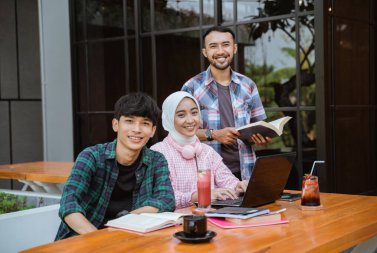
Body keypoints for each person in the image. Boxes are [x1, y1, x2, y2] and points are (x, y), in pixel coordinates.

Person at [55, 93, 175, 240]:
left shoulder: (156, 160)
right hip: (83, 239)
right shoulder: (91, 157)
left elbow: (167, 199)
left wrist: (127, 219)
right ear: (116, 125)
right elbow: (69, 204)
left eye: (145, 123)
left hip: (129, 239)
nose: (137, 129)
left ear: (153, 131)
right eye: (130, 121)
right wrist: (99, 239)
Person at [181, 26, 271, 180]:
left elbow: (260, 125)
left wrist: (261, 137)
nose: (220, 51)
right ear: (205, 52)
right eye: (213, 46)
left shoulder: (248, 85)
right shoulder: (191, 87)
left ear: (234, 48)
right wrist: (214, 135)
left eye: (225, 44)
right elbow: (181, 134)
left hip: (246, 173)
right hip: (208, 175)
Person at [150, 91, 247, 209]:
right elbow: (165, 197)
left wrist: (238, 186)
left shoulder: (207, 152)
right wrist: (200, 196)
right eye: (181, 115)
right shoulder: (158, 152)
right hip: (176, 223)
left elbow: (228, 181)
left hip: (211, 219)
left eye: (194, 113)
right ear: (169, 118)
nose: (190, 120)